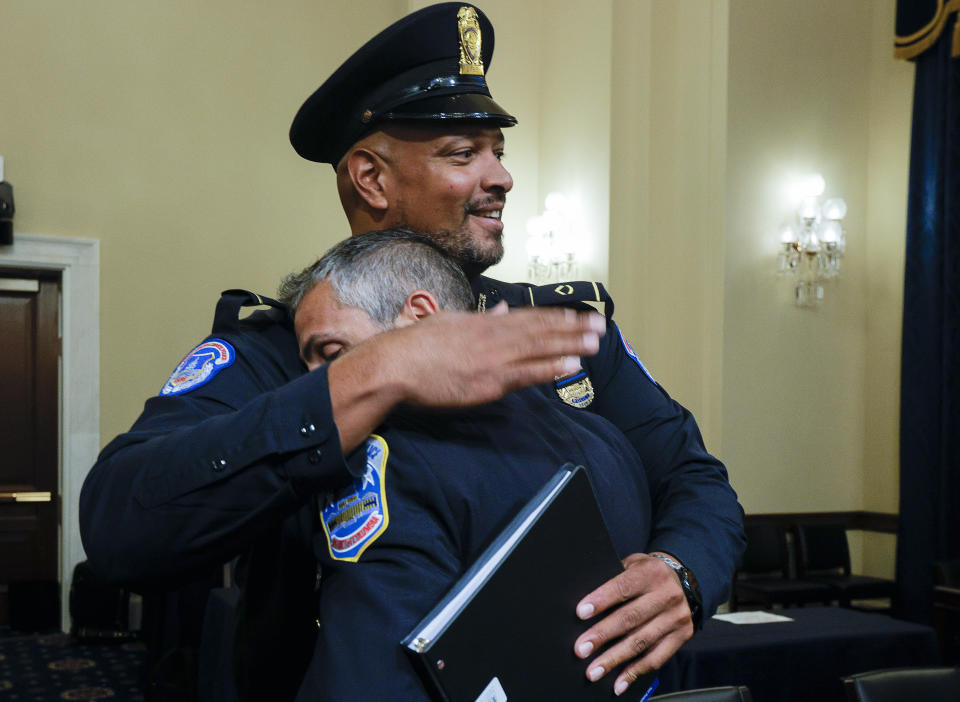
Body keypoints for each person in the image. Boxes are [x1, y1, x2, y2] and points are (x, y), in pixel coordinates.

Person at [80, 3, 743, 698]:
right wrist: (375, 371)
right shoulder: (283, 349)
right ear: (371, 179)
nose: (501, 178)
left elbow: (696, 479)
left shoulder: (556, 329)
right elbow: (121, 522)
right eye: (464, 153)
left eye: (499, 151)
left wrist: (681, 573)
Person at [280, 228, 658, 699]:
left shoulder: (389, 456)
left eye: (331, 353)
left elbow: (366, 681)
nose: (320, 389)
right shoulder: (605, 439)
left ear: (418, 317)